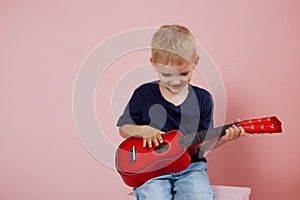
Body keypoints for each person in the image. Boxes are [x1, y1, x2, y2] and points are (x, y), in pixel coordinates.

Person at [117, 24, 245, 200]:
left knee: (201, 196)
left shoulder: (203, 99)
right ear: (153, 63)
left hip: (190, 169)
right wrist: (143, 130)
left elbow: (204, 144)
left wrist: (223, 139)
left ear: (195, 62)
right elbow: (124, 128)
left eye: (183, 73)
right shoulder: (143, 94)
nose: (175, 81)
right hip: (151, 171)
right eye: (166, 75)